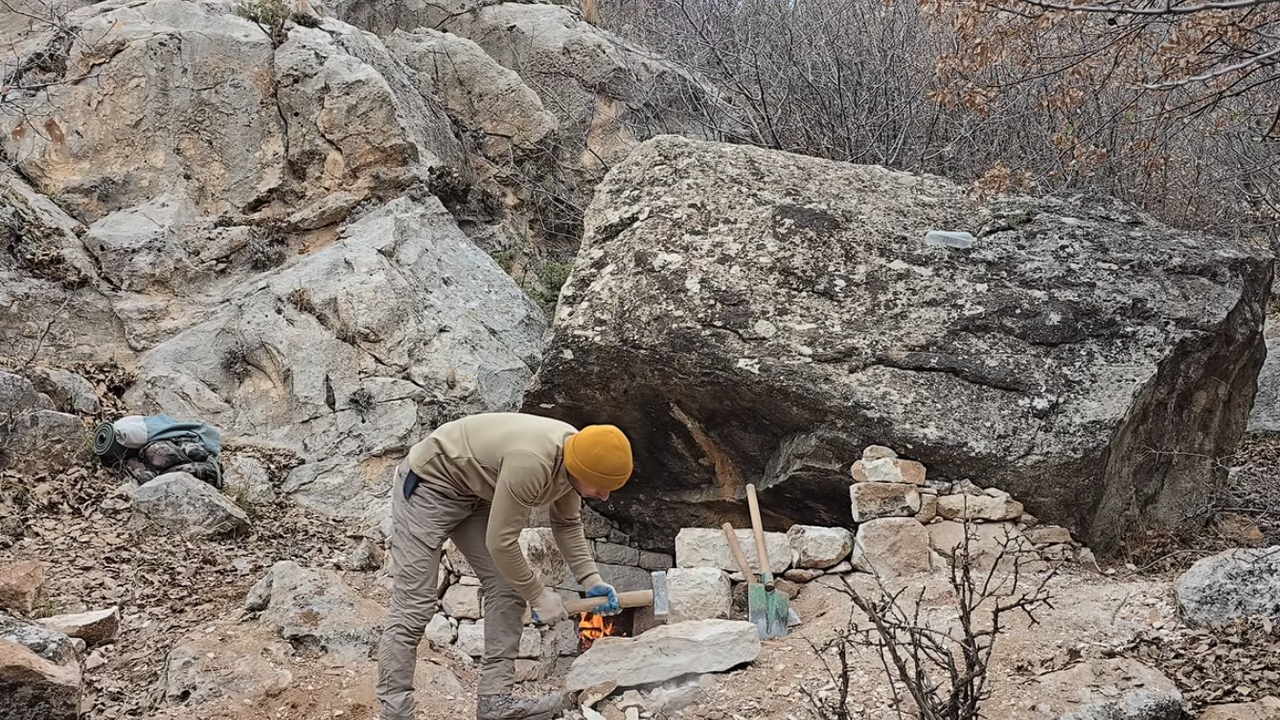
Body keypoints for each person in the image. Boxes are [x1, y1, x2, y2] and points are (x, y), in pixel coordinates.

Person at [376, 412, 633, 720]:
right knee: (414, 606)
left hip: (478, 491)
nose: (605, 497)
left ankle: (495, 703)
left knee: (507, 587)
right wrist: (539, 595)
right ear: (579, 468)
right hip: (431, 485)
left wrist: (592, 579)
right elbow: (501, 543)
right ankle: (396, 713)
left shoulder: (577, 458)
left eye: (610, 489)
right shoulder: (532, 463)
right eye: (601, 487)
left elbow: (566, 523)